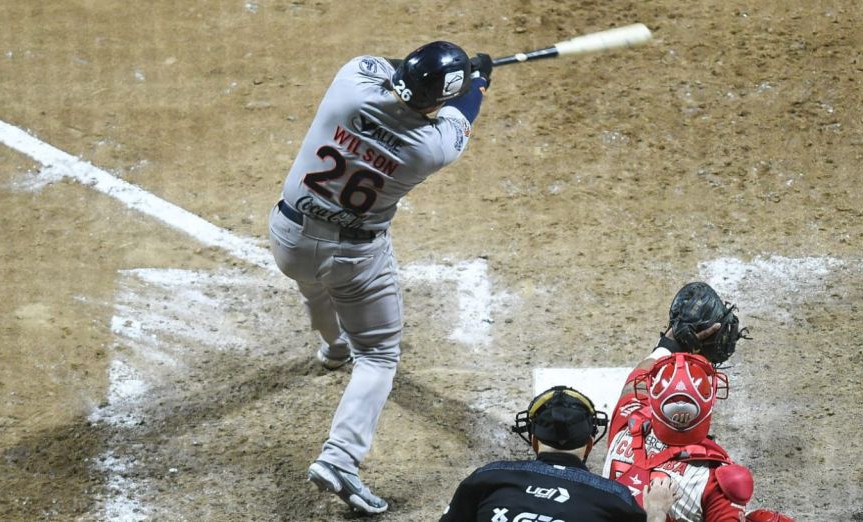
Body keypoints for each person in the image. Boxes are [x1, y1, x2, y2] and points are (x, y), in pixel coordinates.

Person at [268, 40, 494, 515]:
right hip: (353, 256)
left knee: (312, 283)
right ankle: (340, 459)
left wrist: (454, 75)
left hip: (289, 236)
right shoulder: (431, 149)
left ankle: (333, 347)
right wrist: (479, 81)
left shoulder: (350, 82)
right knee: (377, 355)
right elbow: (464, 112)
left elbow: (392, 69)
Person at [439, 385, 679, 522]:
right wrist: (656, 513)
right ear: (590, 444)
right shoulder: (615, 499)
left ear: (534, 441)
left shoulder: (488, 478)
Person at [601, 336, 755, 520]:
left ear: (653, 400)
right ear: (708, 404)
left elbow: (634, 383)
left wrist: (667, 344)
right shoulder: (713, 480)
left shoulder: (627, 422)